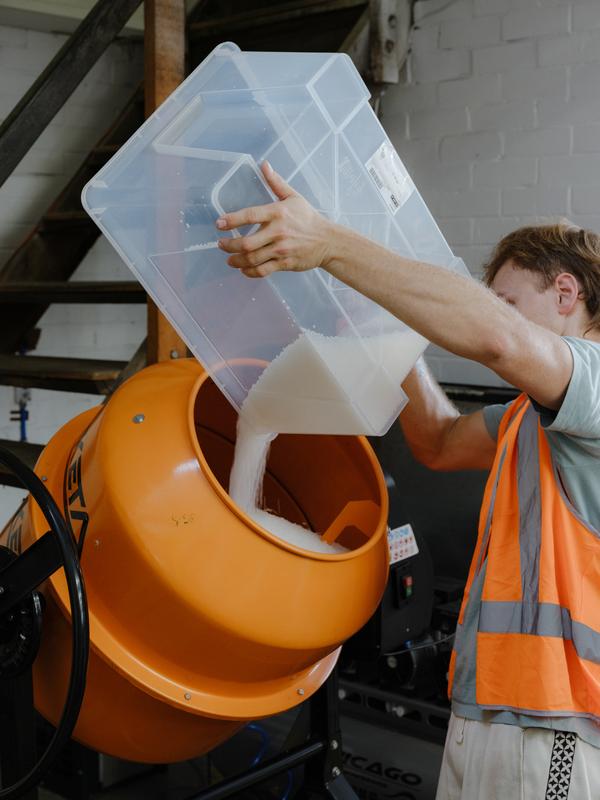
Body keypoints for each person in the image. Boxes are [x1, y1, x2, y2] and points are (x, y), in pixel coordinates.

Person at [215, 161, 600, 800]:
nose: (497, 315)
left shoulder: (593, 381)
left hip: (557, 718)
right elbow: (440, 441)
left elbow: (499, 341)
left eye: (508, 300)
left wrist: (333, 244)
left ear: (566, 293)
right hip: (489, 706)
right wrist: (388, 334)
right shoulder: (529, 416)